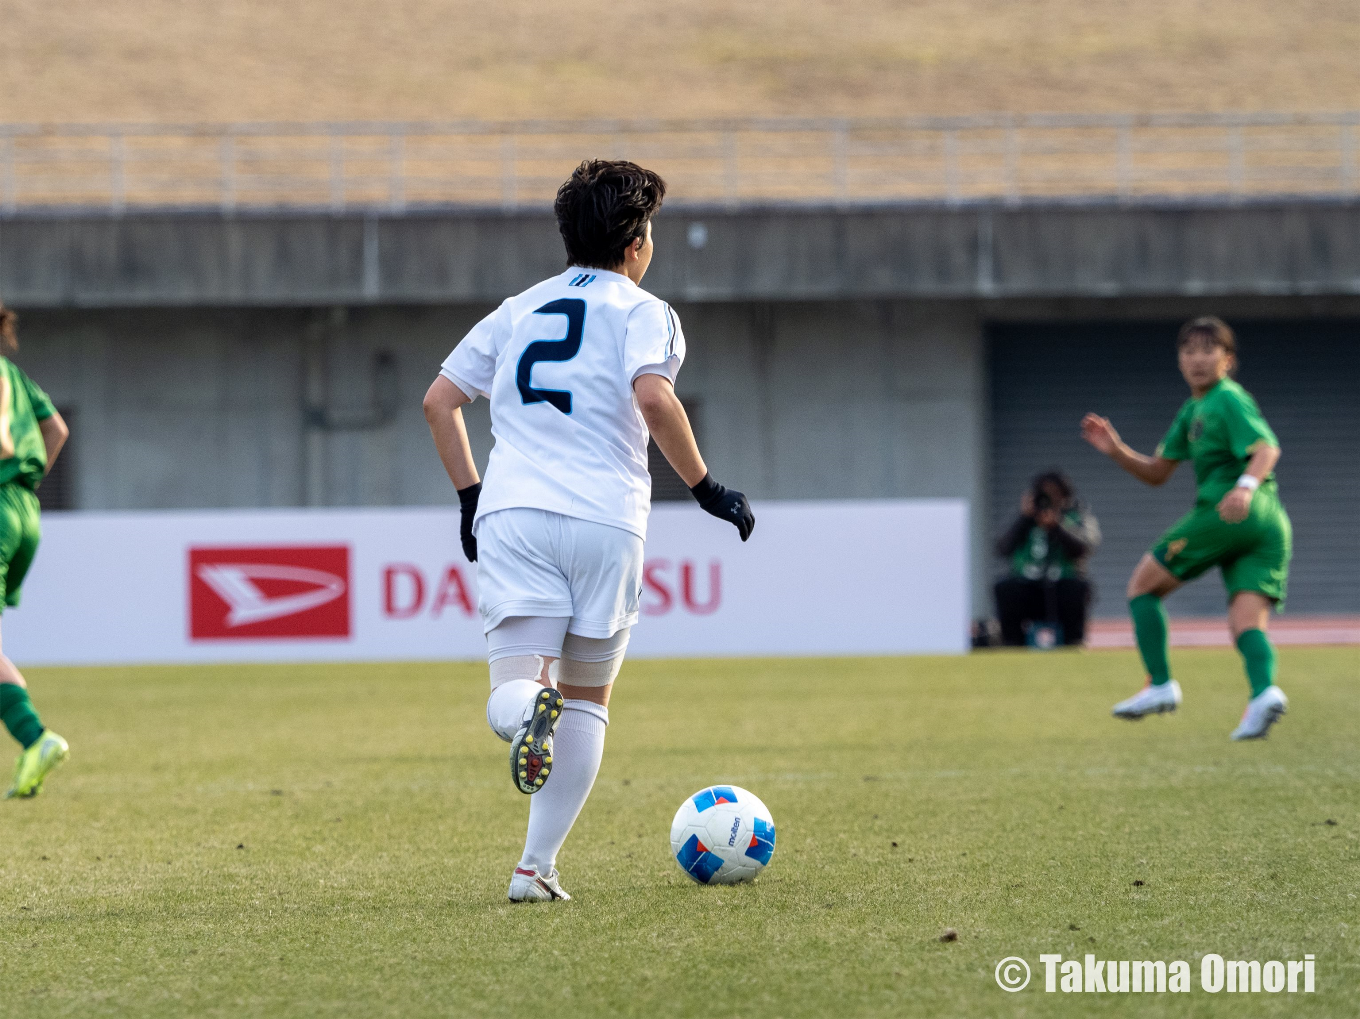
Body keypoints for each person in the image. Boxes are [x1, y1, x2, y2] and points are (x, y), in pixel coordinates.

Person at [423, 159, 754, 902]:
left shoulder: (518, 308)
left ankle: (520, 713)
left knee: (515, 686)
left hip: (514, 513)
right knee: (588, 698)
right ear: (636, 241)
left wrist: (471, 498)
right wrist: (707, 487)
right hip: (607, 519)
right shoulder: (645, 310)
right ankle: (534, 868)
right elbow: (655, 399)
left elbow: (440, 403)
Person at [1082, 316, 1291, 740]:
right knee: (1245, 621)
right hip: (1269, 524)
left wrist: (1245, 487)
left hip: (1232, 512)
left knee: (1142, 587)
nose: (1197, 359)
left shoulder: (1227, 400)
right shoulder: (1192, 410)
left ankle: (1159, 684)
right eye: (1189, 351)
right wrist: (1117, 449)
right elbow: (1158, 472)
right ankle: (1263, 695)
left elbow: (1267, 447)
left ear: (1228, 360)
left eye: (1208, 350)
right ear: (1179, 359)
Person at [0, 303, 70, 798]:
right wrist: (24, 486)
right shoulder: (12, 375)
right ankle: (34, 747)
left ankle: (37, 737)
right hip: (24, 508)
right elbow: (57, 430)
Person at [993, 471, 1100, 646]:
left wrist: (1057, 526)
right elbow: (1002, 548)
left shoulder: (1077, 516)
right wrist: (1023, 519)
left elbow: (1084, 548)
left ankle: (1074, 642)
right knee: (1005, 588)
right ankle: (1012, 644)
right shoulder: (1025, 519)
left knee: (1077, 588)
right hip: (1027, 588)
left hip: (1062, 587)